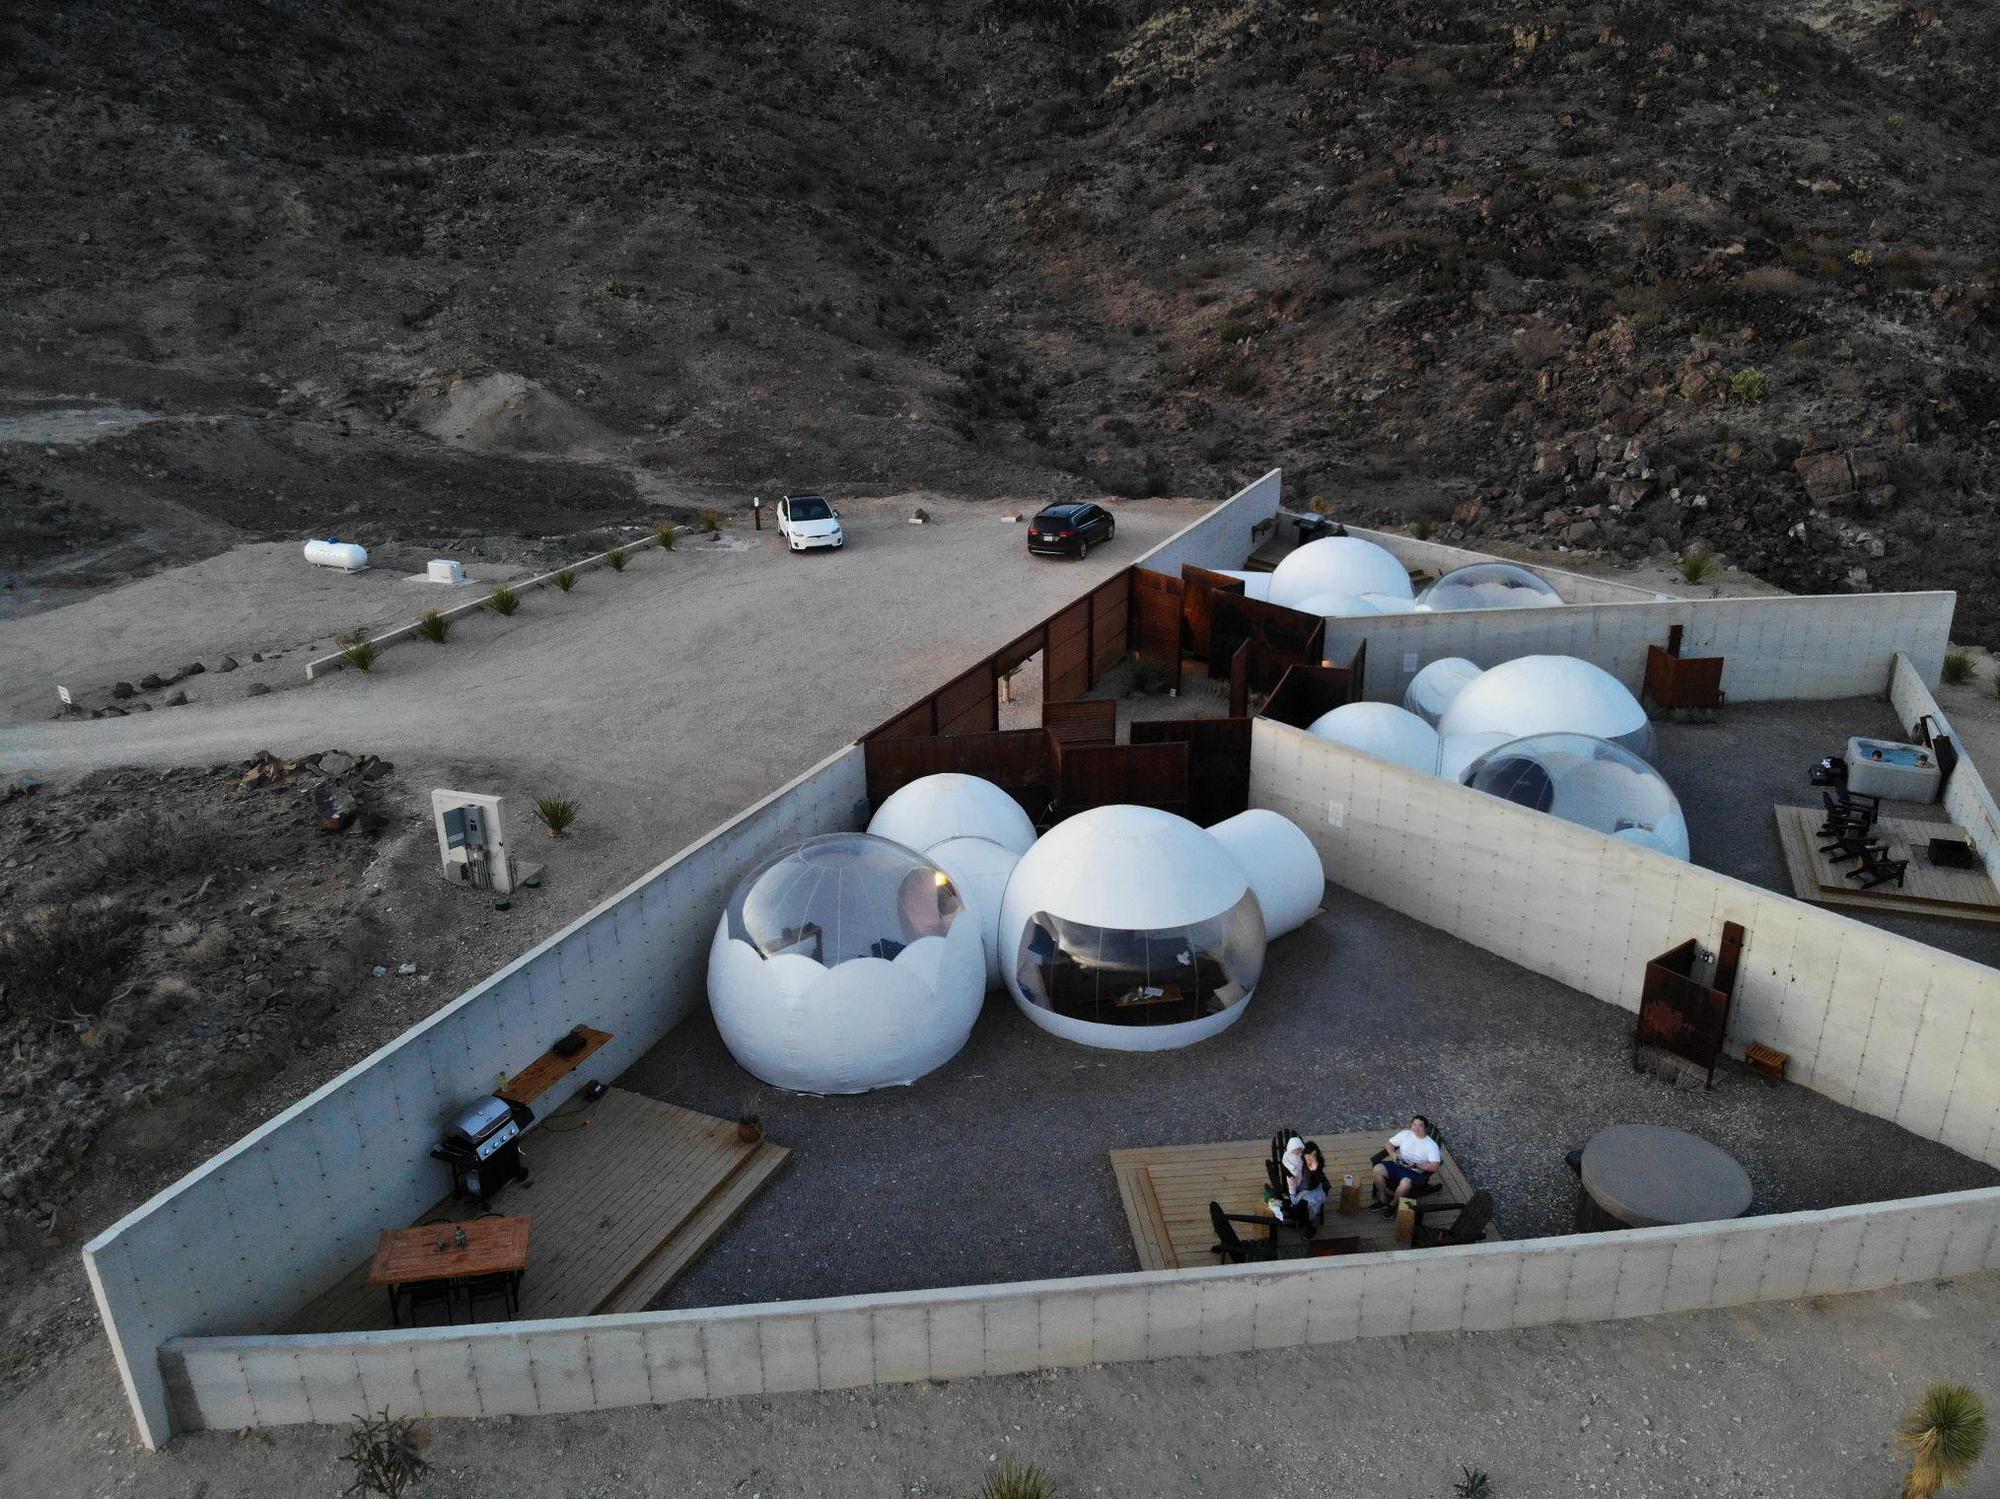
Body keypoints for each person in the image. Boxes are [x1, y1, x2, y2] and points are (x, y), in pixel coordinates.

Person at [1372, 1114, 1441, 1213]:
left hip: (1413, 1171)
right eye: (1414, 1124)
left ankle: (1392, 1205)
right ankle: (1383, 1200)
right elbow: (1389, 1144)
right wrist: (1394, 1155)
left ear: (1426, 1128)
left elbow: (1434, 1167)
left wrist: (1415, 1165)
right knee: (1377, 1169)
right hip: (1398, 1164)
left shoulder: (1431, 1145)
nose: (1416, 1128)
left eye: (1420, 1126)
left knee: (1404, 1185)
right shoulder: (1405, 1134)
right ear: (1411, 1125)